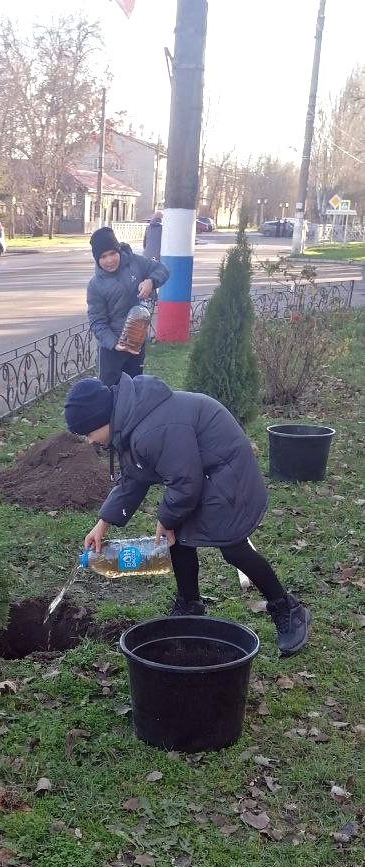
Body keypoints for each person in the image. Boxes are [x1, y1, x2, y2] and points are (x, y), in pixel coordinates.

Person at [64, 373, 311, 656]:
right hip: (202, 473)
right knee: (178, 540)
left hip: (228, 472)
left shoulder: (151, 430)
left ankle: (287, 609)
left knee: (233, 548)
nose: (88, 441)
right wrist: (102, 523)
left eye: (87, 433)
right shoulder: (129, 421)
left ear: (101, 419)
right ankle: (189, 610)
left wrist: (165, 519)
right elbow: (133, 478)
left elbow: (185, 483)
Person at [87, 226, 168, 387]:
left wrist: (151, 281)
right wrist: (115, 344)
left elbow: (162, 269)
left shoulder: (134, 263)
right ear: (97, 259)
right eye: (103, 256)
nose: (109, 260)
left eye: (112, 253)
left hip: (137, 341)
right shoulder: (96, 285)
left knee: (134, 388)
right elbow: (97, 322)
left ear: (118, 250)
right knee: (109, 392)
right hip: (111, 350)